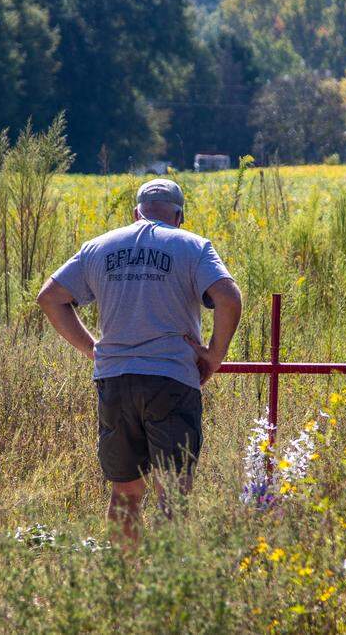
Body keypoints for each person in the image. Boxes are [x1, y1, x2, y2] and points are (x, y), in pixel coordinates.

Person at [36, 178, 242, 545]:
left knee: (125, 493)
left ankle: (126, 584)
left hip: (115, 382)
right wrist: (214, 356)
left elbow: (50, 297)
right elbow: (228, 297)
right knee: (172, 496)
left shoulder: (98, 247)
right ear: (180, 215)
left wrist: (92, 348)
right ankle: (164, 590)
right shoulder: (193, 246)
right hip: (171, 381)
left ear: (135, 213)